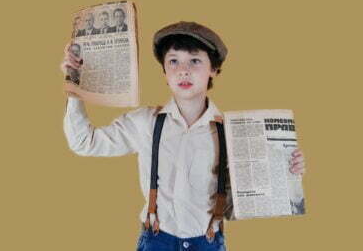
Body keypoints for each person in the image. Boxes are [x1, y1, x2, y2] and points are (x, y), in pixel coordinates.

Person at [61, 21, 306, 251]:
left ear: (214, 69)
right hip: (156, 240)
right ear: (165, 71)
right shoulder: (146, 122)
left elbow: (235, 206)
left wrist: (286, 174)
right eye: (174, 61)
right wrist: (74, 82)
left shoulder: (233, 132)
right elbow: (84, 142)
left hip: (207, 242)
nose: (183, 71)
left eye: (195, 61)